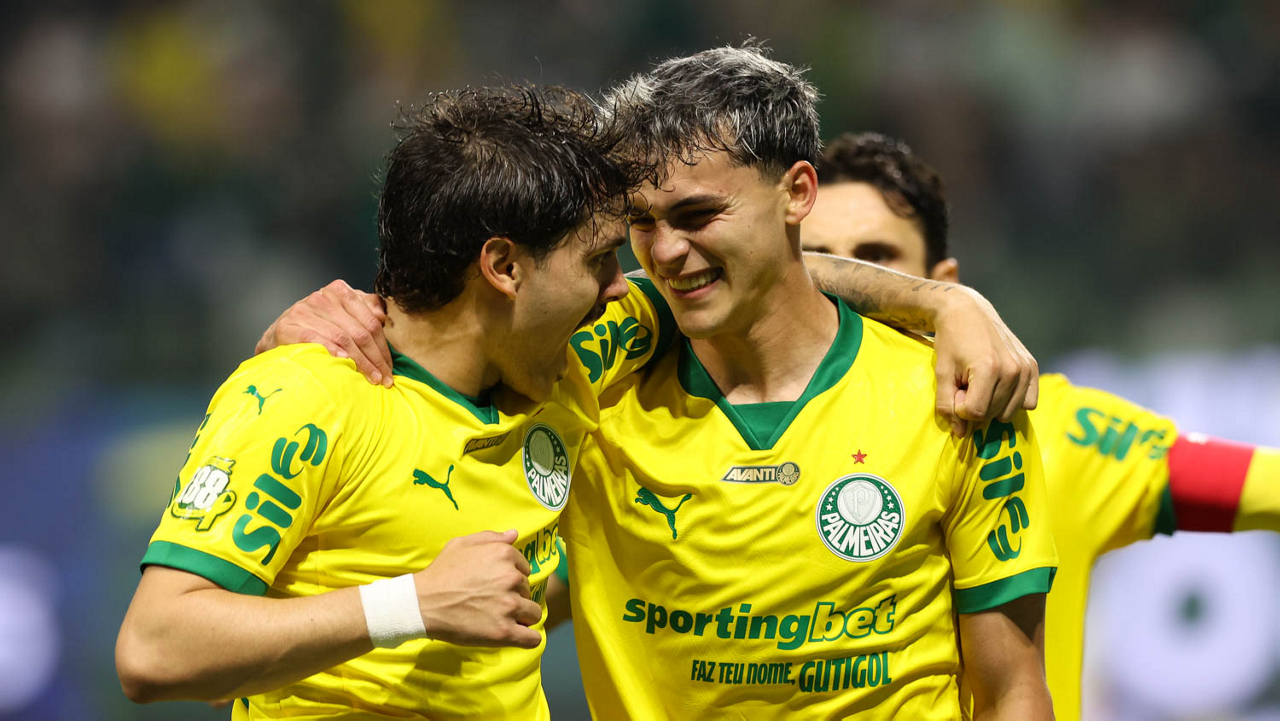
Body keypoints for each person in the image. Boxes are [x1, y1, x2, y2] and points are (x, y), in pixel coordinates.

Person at [271, 46, 1058, 718]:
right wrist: (311, 337)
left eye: (697, 215)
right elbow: (438, 349)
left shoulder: (957, 395)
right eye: (641, 224)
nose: (666, 252)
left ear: (797, 192)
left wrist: (950, 302)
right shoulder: (584, 373)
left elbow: (1012, 688)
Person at [115, 84, 671, 719]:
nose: (619, 289)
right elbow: (154, 649)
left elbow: (729, 282)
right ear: (503, 267)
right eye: (599, 260)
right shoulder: (309, 395)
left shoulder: (571, 360)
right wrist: (412, 605)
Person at [802, 130, 1280, 721]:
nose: (850, 288)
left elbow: (1261, 486)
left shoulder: (1052, 430)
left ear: (943, 284)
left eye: (876, 259)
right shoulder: (717, 434)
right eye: (816, 262)